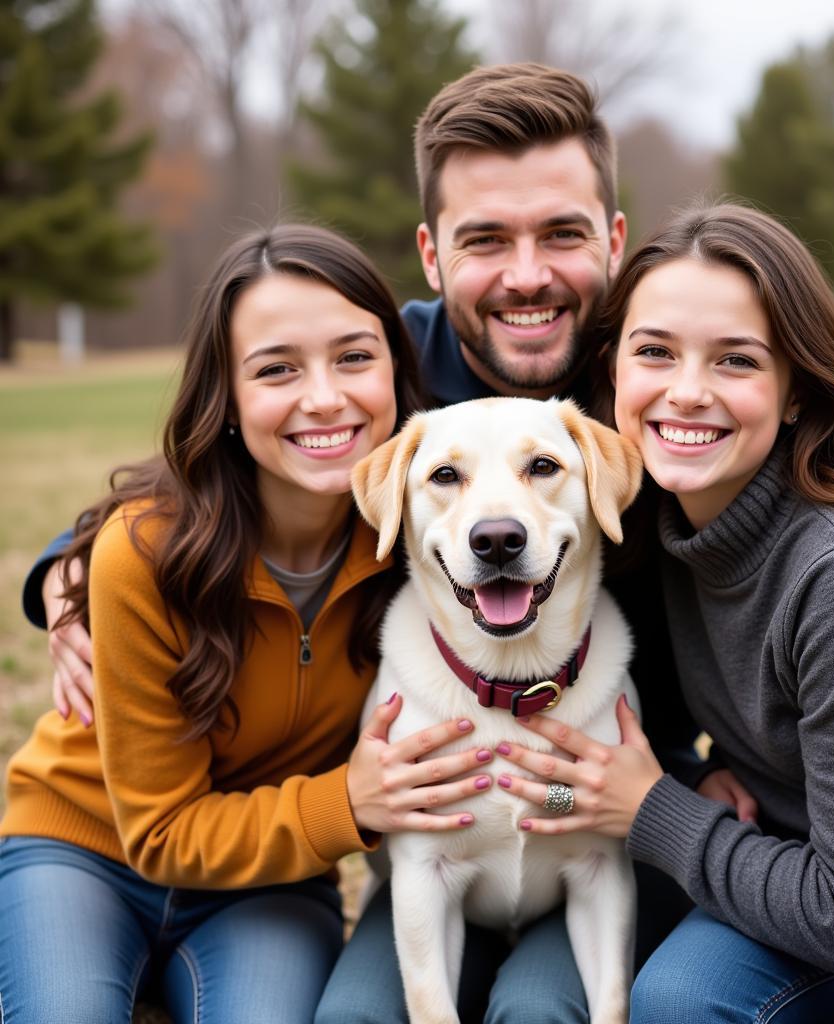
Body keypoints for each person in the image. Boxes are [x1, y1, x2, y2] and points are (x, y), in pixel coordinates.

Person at [17, 63, 755, 1009]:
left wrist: (715, 771)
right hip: (426, 817)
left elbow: (784, 544)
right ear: (433, 255)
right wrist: (63, 581)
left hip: (598, 792)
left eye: (561, 234)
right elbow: (206, 477)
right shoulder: (383, 385)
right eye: (485, 239)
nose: (526, 275)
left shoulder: (667, 395)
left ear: (613, 239)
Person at [491, 203, 834, 1023]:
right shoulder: (642, 525)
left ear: (796, 392)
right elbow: (625, 755)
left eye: (735, 360)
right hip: (803, 858)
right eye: (655, 352)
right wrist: (668, 780)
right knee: (677, 1002)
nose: (687, 391)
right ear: (613, 371)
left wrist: (654, 808)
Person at [0, 224, 510, 1022]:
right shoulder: (145, 554)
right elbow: (161, 832)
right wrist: (349, 802)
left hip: (268, 882)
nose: (325, 397)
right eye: (277, 369)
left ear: (398, 374)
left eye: (354, 357)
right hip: (85, 849)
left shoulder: (436, 533)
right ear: (227, 399)